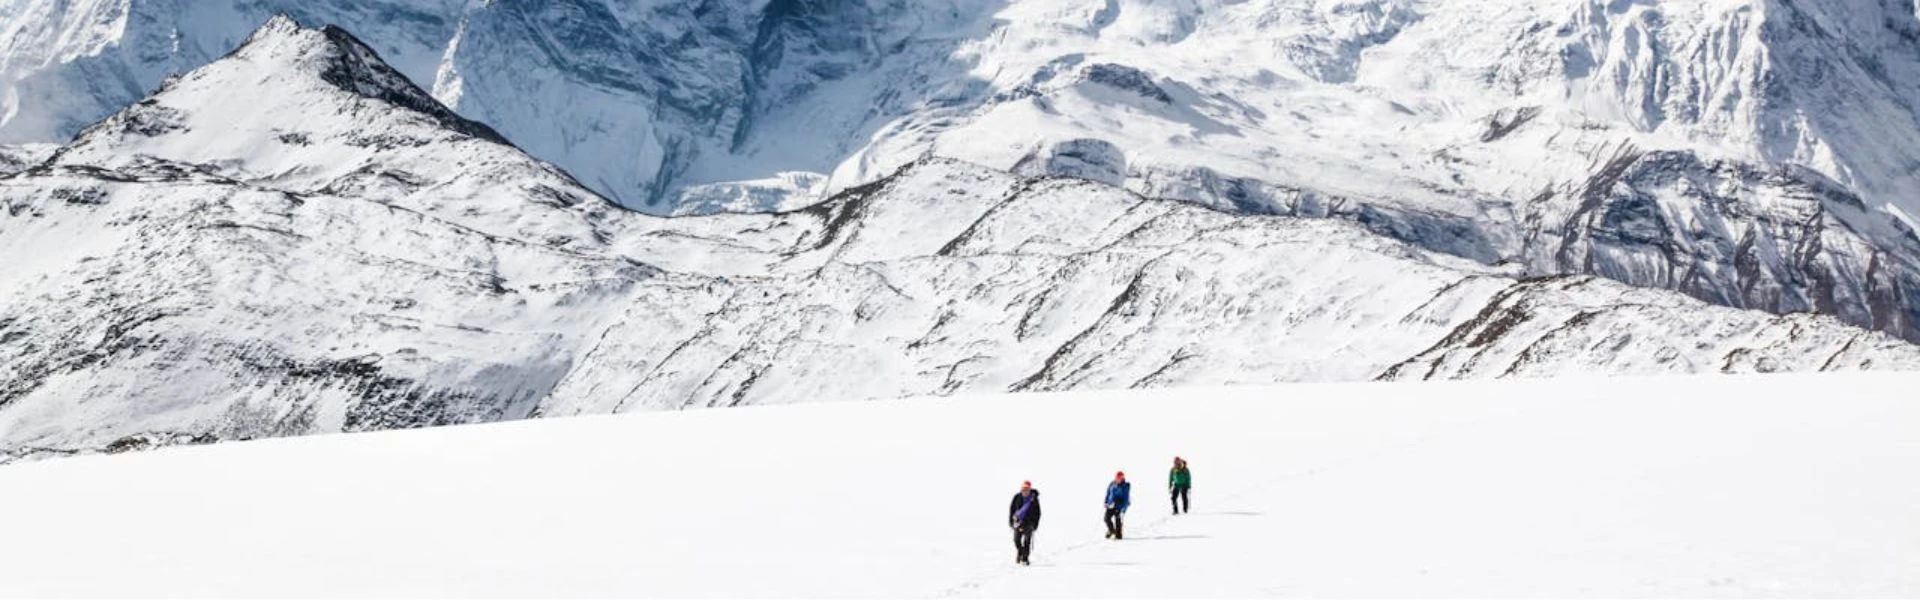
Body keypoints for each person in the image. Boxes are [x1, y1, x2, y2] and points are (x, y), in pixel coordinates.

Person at [1008, 481, 1042, 565]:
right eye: (1023, 489)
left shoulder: (1033, 499)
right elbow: (1012, 510)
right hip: (1017, 522)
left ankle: (1025, 558)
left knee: (1027, 542)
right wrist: (1011, 522)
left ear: (1030, 489)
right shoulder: (1017, 497)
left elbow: (1038, 512)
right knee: (1016, 541)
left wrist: (1035, 524)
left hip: (1029, 524)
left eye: (1027, 489)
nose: (1025, 490)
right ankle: (1020, 552)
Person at [1103, 471, 1131, 540]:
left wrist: (1119, 506)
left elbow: (1126, 500)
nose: (1118, 480)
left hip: (1120, 506)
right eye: (1117, 478)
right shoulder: (1112, 484)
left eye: (1119, 478)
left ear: (1122, 479)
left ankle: (1118, 535)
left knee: (1117, 519)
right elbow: (1108, 493)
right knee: (1106, 518)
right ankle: (1111, 530)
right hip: (1110, 505)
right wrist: (1106, 502)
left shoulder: (1125, 487)